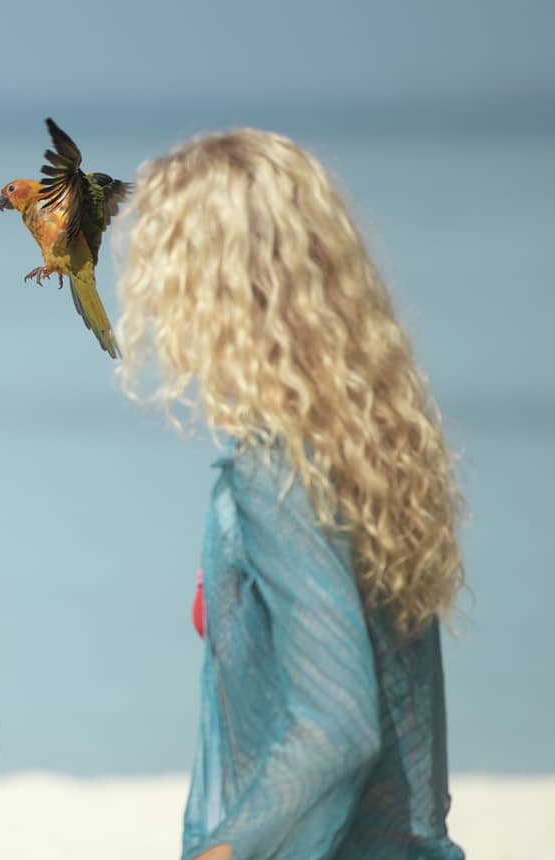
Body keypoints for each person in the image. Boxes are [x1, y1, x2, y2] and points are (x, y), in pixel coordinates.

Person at [114, 128, 466, 860]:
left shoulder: (275, 473)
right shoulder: (371, 447)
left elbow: (335, 727)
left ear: (211, 283)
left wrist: (220, 853)